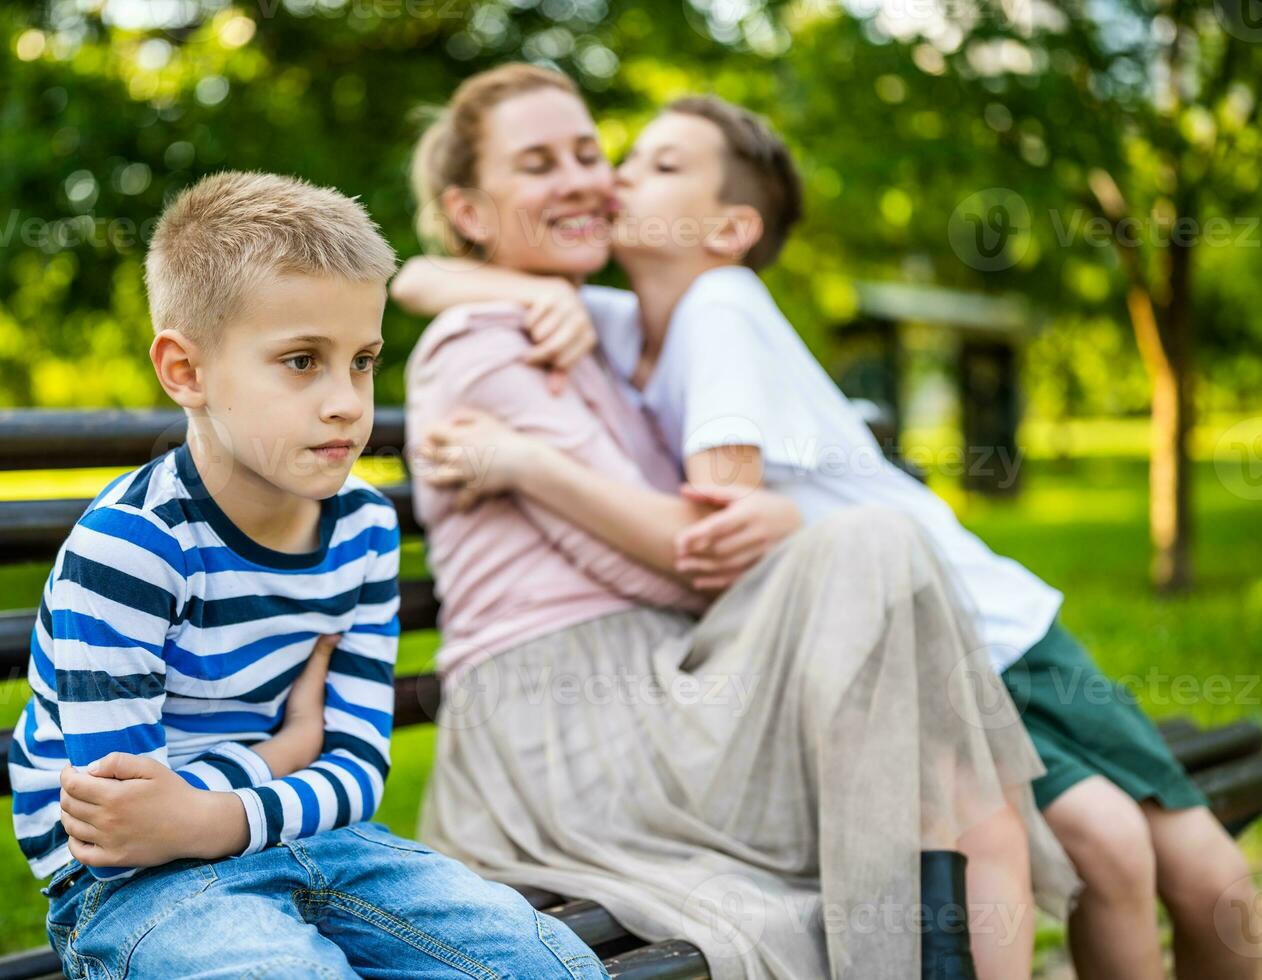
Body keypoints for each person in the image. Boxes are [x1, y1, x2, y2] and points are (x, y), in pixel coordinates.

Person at [396, 91, 1261, 980]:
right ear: (468, 208)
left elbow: (716, 519)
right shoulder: (614, 326)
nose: (605, 178)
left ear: (728, 227)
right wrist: (498, 290)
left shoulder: (707, 305)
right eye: (551, 164)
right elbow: (416, 277)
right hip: (857, 645)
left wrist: (752, 516)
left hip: (974, 627)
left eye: (619, 158)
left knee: (1177, 863)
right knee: (1090, 838)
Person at [6, 170, 609, 980]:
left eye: (362, 361)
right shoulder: (132, 548)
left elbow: (357, 772)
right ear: (185, 371)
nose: (346, 404)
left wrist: (216, 804)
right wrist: (288, 748)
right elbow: (119, 830)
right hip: (136, 892)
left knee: (549, 968)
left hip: (322, 843)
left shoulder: (363, 528)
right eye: (301, 361)